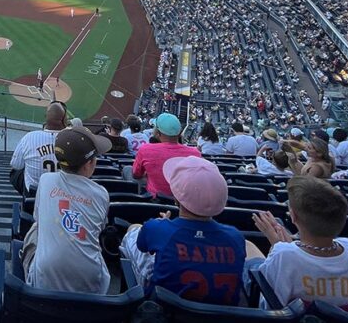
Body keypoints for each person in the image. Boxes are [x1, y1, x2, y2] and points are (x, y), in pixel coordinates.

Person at [122, 156, 246, 304]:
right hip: (220, 321)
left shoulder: (157, 228)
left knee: (134, 228)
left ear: (176, 198)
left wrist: (163, 224)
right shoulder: (236, 236)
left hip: (163, 316)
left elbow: (142, 246)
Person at [248, 176, 348, 313]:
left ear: (293, 216)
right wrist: (286, 247)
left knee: (249, 248)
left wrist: (276, 247)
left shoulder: (283, 255)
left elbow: (268, 306)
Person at [24, 126, 112, 294]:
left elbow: (38, 219)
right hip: (93, 286)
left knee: (36, 228)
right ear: (88, 164)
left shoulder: (46, 180)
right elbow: (98, 230)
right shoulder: (101, 193)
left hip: (42, 285)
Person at [131, 113, 201, 197]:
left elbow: (136, 174)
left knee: (127, 170)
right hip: (183, 203)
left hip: (155, 200)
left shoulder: (145, 149)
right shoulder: (195, 153)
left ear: (158, 133)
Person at [10, 103, 67, 194]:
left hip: (34, 193)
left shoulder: (29, 137)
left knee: (15, 171)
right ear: (64, 119)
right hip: (64, 194)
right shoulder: (72, 140)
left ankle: (26, 198)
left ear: (46, 118)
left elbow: (16, 165)